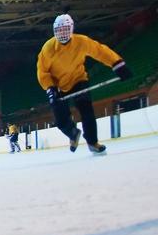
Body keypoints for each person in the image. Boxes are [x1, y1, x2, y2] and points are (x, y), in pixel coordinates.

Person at [36, 13, 130, 156]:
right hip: (58, 86)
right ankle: (73, 133)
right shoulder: (48, 48)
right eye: (59, 30)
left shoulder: (81, 42)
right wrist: (50, 88)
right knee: (60, 120)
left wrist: (117, 64)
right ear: (55, 31)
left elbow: (100, 51)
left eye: (65, 29)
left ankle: (93, 142)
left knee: (87, 112)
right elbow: (42, 71)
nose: (62, 33)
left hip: (78, 80)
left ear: (71, 29)